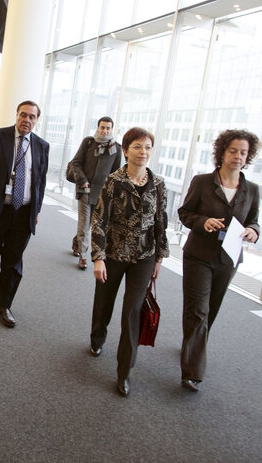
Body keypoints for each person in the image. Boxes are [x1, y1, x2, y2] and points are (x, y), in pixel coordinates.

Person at [178, 129, 261, 393]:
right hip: (199, 256)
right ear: (222, 153)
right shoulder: (202, 182)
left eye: (243, 153)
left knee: (210, 310)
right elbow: (184, 213)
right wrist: (204, 222)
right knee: (198, 310)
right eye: (233, 151)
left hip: (229, 259)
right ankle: (192, 372)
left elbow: (254, 221)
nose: (238, 157)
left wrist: (253, 232)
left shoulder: (252, 189)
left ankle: (192, 345)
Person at [89, 127, 169, 397]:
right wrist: (98, 258)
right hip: (113, 253)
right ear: (125, 151)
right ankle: (97, 336)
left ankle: (124, 371)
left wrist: (159, 257)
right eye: (137, 146)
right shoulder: (114, 181)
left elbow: (161, 224)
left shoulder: (158, 185)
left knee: (132, 311)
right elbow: (99, 220)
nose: (143, 152)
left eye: (147, 147)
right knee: (105, 302)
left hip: (144, 257)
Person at [0, 100, 49, 328]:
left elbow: (41, 181)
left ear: (37, 120)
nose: (27, 120)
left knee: (13, 262)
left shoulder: (42, 146)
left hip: (23, 212)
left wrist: (36, 210)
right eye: (23, 115)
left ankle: (3, 305)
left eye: (32, 117)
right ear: (16, 115)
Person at [66, 116, 121, 270]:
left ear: (112, 129)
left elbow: (116, 173)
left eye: (108, 128)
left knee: (90, 223)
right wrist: (82, 180)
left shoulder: (117, 148)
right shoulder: (89, 142)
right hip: (85, 189)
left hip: (102, 194)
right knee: (84, 222)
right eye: (102, 127)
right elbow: (76, 162)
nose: (105, 130)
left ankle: (77, 242)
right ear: (98, 128)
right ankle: (83, 256)